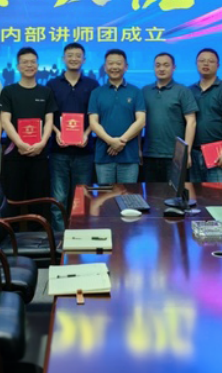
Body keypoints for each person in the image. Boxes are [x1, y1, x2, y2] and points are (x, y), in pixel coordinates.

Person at [0, 47, 57, 220]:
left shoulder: (46, 92)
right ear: (18, 66)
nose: (29, 65)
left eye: (32, 62)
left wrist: (42, 143)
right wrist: (20, 143)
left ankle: (39, 235)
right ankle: (12, 235)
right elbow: (5, 120)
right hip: (14, 154)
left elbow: (49, 121)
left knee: (38, 201)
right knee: (13, 199)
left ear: (37, 65)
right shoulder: (8, 91)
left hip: (40, 155)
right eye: (25, 62)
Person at [46, 42, 98, 232]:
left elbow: (96, 116)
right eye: (70, 55)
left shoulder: (93, 85)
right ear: (63, 58)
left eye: (78, 55)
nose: (74, 59)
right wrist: (57, 132)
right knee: (58, 199)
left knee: (81, 198)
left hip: (85, 151)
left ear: (84, 60)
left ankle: (80, 237)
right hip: (58, 151)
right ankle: (60, 239)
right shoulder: (52, 85)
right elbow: (47, 115)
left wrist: (86, 133)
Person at [88, 49, 145, 185]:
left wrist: (120, 142)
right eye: (110, 63)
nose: (114, 67)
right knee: (106, 196)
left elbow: (141, 121)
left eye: (118, 63)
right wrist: (111, 141)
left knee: (128, 195)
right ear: (105, 67)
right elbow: (93, 123)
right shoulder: (96, 93)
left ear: (126, 67)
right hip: (103, 157)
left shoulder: (136, 92)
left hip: (129, 157)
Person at [188, 48, 222, 190]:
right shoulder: (189, 91)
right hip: (194, 153)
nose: (206, 64)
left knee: (219, 198)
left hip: (217, 153)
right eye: (202, 61)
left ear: (218, 65)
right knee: (196, 198)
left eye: (211, 61)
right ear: (196, 64)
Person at [143, 52, 198, 182]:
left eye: (166, 65)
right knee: (152, 193)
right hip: (149, 154)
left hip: (175, 155)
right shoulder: (145, 91)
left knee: (174, 193)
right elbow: (140, 122)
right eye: (158, 65)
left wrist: (186, 152)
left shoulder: (183, 91)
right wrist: (139, 150)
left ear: (174, 68)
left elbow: (191, 122)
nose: (161, 69)